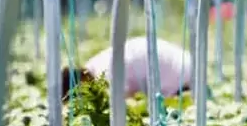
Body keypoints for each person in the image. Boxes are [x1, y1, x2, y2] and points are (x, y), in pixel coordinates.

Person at [62, 37, 192, 100]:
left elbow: (123, 106)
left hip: (183, 78)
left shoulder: (107, 73)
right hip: (183, 63)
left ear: (82, 83)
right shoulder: (93, 65)